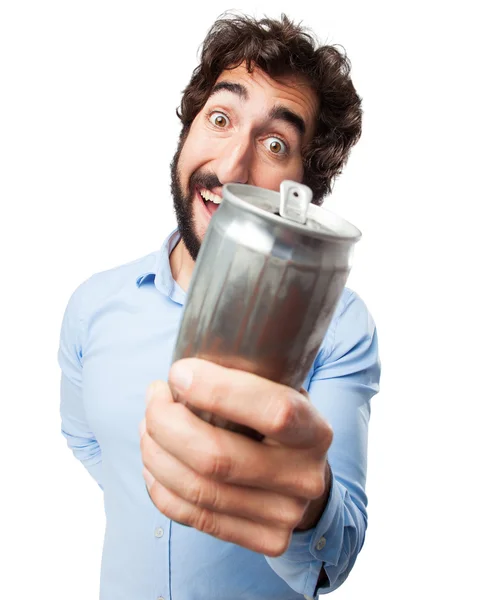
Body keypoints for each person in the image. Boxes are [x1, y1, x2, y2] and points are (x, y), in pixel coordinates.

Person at [59, 12, 381, 600]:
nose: (232, 168)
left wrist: (306, 504)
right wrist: (151, 491)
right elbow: (83, 437)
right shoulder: (93, 306)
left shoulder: (339, 325)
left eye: (276, 142)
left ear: (302, 189)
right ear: (188, 131)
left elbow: (340, 551)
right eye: (221, 118)